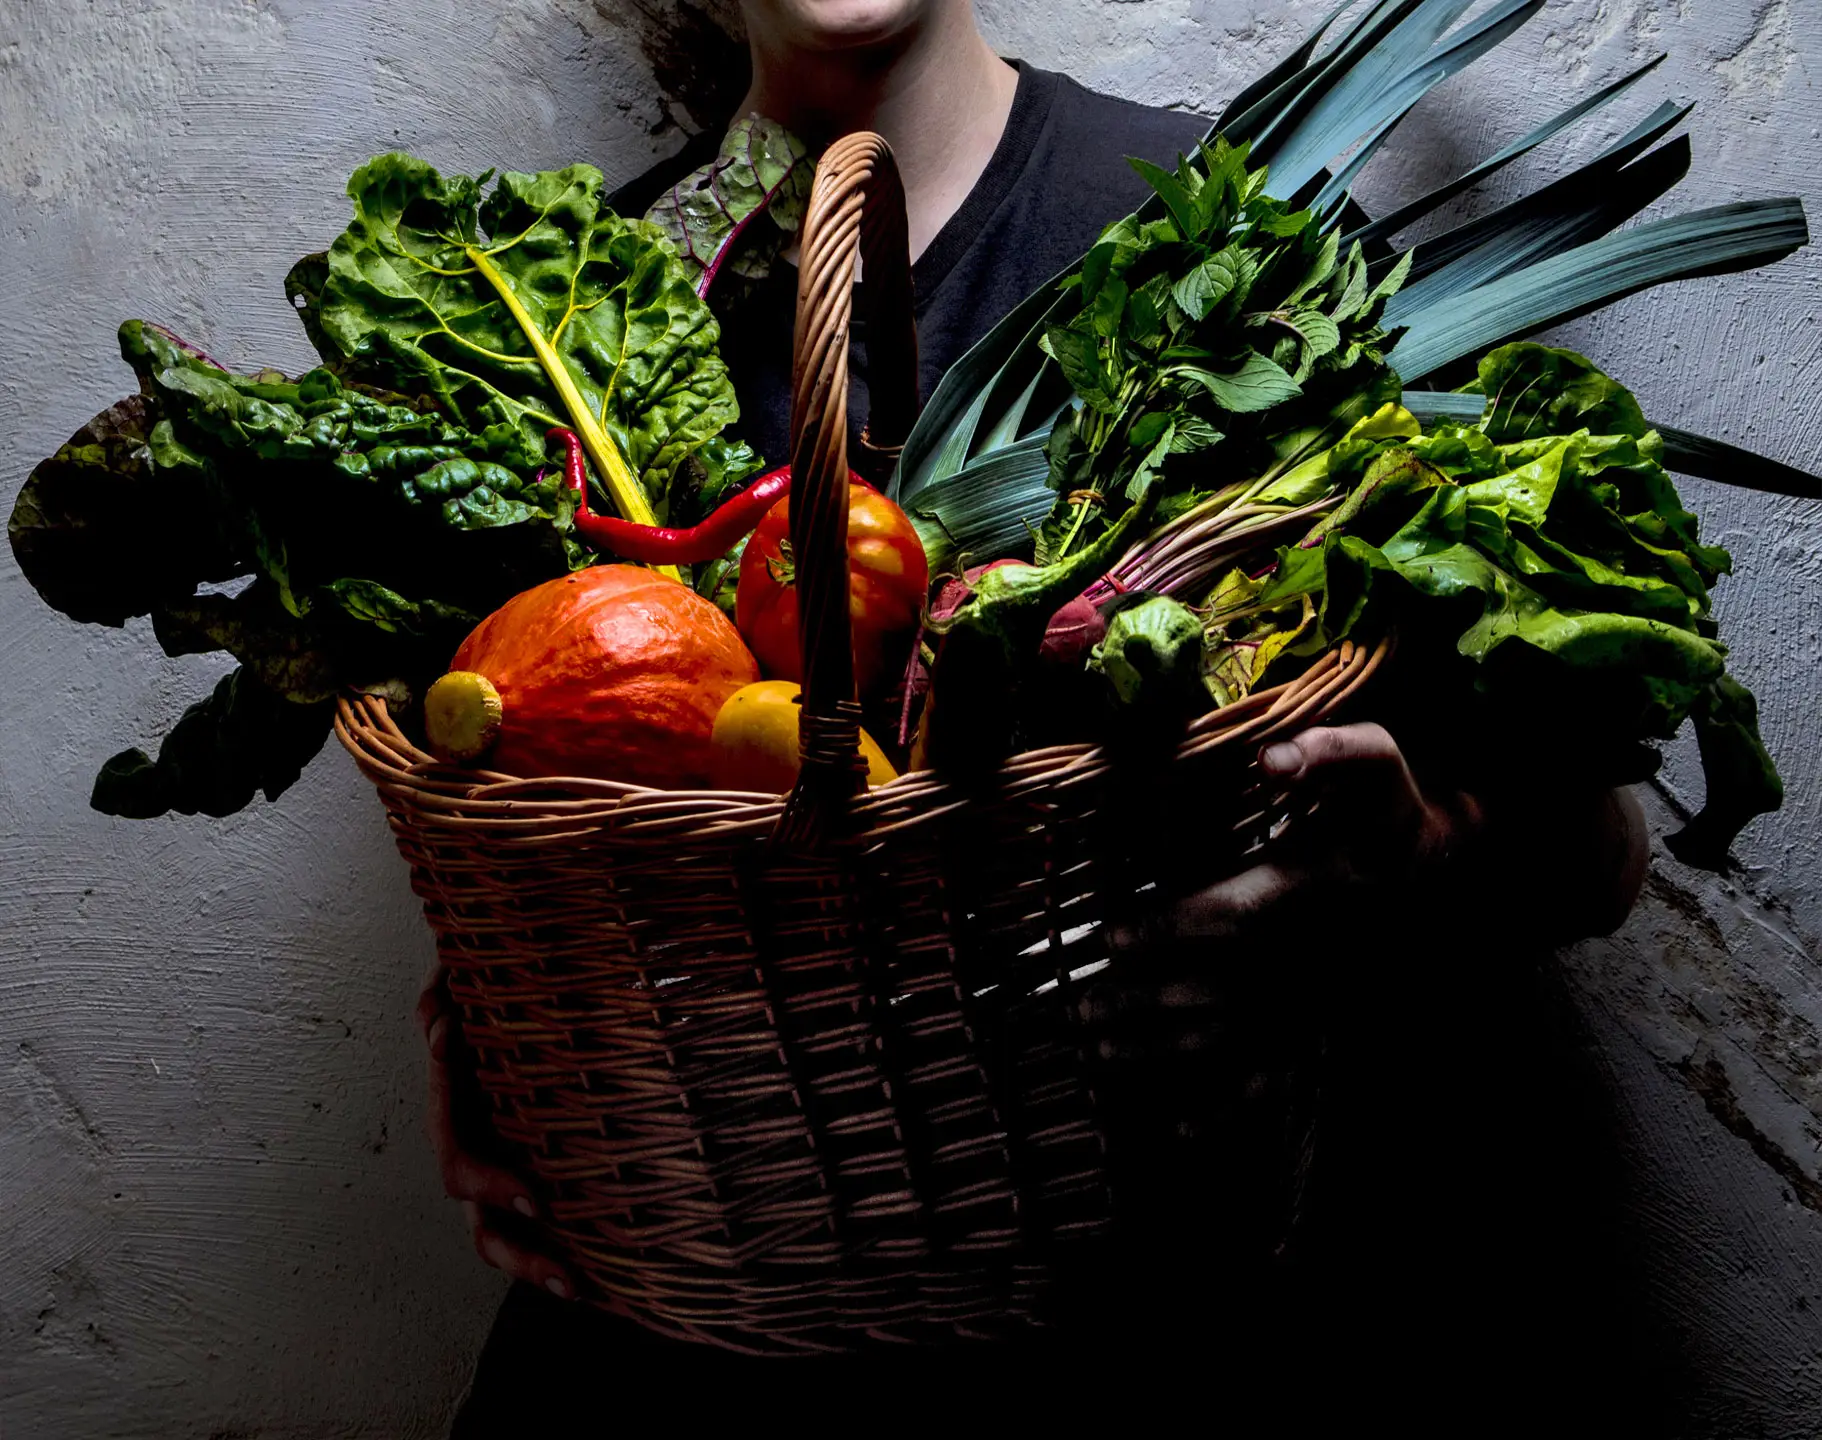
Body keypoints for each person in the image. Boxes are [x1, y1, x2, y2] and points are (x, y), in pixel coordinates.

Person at [421, 1, 1654, 1430]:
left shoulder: (1231, 242)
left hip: (1140, 1326)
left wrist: (1415, 854)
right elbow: (513, 770)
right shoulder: (574, 301)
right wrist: (502, 1036)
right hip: (686, 1326)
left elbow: (1594, 855)